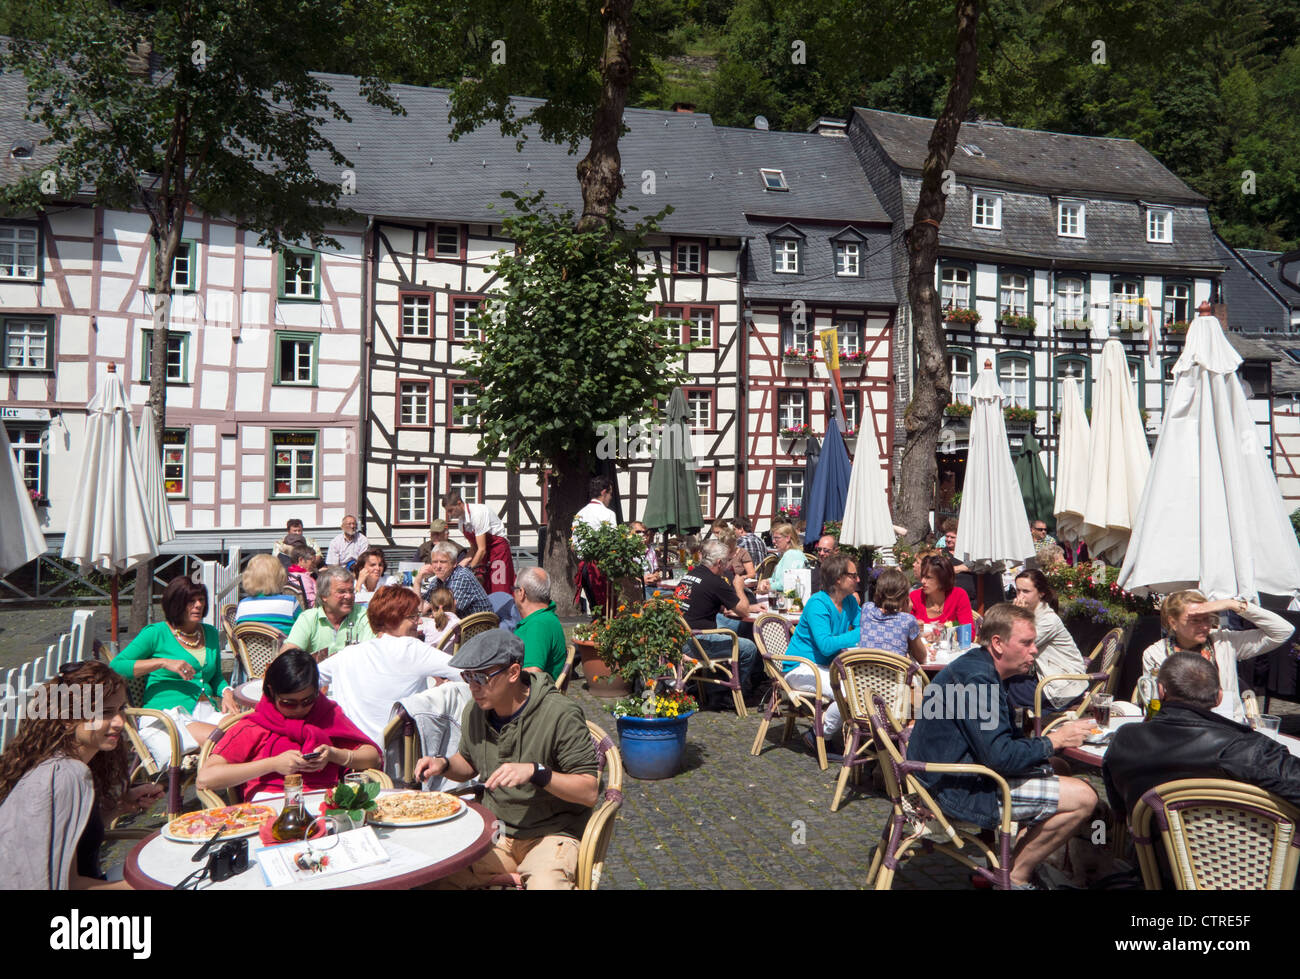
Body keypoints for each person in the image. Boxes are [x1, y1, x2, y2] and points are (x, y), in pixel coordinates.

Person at [905, 603, 1098, 889]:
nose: (1034, 650)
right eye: (1027, 643)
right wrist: (1054, 740)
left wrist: (1047, 750)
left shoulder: (977, 667)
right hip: (953, 790)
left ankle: (1016, 859)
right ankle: (1014, 878)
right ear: (997, 644)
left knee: (1060, 767)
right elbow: (1000, 757)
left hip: (945, 774)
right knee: (1085, 798)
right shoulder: (979, 680)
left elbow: (999, 746)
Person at [413, 632, 599, 889]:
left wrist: (537, 772)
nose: (472, 687)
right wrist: (443, 765)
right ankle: (500, 876)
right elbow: (469, 763)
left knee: (547, 885)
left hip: (551, 834)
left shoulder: (560, 714)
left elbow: (589, 791)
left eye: (481, 677)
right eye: (468, 677)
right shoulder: (476, 712)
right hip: (497, 833)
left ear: (513, 672)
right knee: (427, 877)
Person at [0, 661, 162, 889]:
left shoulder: (73, 763)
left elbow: (71, 840)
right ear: (68, 717)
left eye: (121, 709)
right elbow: (66, 884)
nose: (120, 722)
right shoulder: (65, 774)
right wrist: (153, 885)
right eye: (105, 712)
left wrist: (118, 807)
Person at [1104, 652, 1300, 821]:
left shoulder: (1124, 738)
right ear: (1219, 697)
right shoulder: (1243, 748)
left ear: (1161, 690)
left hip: (1152, 859)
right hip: (1242, 859)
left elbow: (1119, 812)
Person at [198, 650, 380, 801]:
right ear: (271, 692)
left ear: (318, 691)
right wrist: (273, 764)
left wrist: (335, 754)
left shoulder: (327, 715)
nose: (300, 709)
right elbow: (206, 778)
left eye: (308, 701)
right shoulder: (255, 726)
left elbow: (372, 757)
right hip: (268, 810)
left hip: (325, 804)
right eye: (289, 703)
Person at [109, 577, 237, 764]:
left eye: (201, 600)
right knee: (227, 741)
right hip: (169, 714)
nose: (198, 605)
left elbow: (216, 677)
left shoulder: (209, 633)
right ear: (176, 603)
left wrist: (227, 692)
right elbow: (116, 666)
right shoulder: (156, 633)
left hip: (207, 711)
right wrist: (162, 663)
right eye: (191, 601)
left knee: (247, 730)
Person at [316, 586, 462, 747]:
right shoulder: (411, 649)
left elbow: (307, 681)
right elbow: (464, 672)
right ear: (393, 619)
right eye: (413, 616)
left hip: (353, 756)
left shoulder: (346, 655)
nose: (418, 622)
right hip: (402, 758)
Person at [1140, 590, 1293, 723]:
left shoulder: (1224, 642)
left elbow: (1283, 631)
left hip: (1227, 726)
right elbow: (1153, 701)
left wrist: (1233, 605)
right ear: (1173, 623)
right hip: (1180, 728)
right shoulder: (1156, 654)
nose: (1205, 626)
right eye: (1195, 620)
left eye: (1207, 618)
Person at [783, 552, 864, 744]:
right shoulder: (817, 604)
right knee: (850, 692)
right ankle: (818, 735)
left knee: (863, 686)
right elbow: (826, 645)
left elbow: (864, 625)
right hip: (801, 667)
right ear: (838, 579)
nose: (858, 579)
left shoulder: (850, 601)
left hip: (826, 667)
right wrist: (860, 634)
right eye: (853, 575)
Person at [673, 539, 761, 704]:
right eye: (728, 561)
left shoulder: (692, 574)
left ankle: (713, 688)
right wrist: (739, 586)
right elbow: (742, 610)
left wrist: (749, 607)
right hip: (695, 642)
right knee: (748, 648)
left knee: (729, 631)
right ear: (719, 562)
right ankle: (727, 694)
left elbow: (704, 600)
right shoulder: (716, 582)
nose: (729, 565)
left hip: (676, 638)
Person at [1007, 569, 1087, 711]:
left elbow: (1015, 647)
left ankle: (1013, 727)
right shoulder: (1033, 615)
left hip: (1063, 685)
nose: (1020, 596)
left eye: (1026, 591)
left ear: (1041, 593)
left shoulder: (1048, 620)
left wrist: (1017, 615)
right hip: (1045, 677)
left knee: (999, 687)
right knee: (999, 681)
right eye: (1017, 591)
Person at [281, 566, 376, 661]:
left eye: (351, 591)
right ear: (324, 596)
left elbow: (369, 654)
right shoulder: (309, 618)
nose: (348, 596)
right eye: (341, 592)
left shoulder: (363, 615)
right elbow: (287, 655)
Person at [445, 492, 516, 595]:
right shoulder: (461, 523)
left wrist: (469, 569)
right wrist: (461, 565)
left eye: (450, 510)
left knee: (499, 586)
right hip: (483, 552)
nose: (449, 514)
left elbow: (481, 549)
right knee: (484, 586)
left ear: (459, 503)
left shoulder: (477, 513)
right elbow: (474, 547)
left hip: (498, 549)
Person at [859, 566, 928, 664]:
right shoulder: (908, 620)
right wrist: (906, 613)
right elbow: (922, 657)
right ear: (905, 597)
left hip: (865, 677)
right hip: (894, 678)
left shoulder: (866, 609)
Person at [513, 567, 568, 682]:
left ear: (521, 593)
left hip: (528, 696)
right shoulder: (546, 617)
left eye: (514, 589)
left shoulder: (538, 625)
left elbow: (532, 676)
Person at [573, 476, 618, 611]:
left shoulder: (579, 514)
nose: (610, 498)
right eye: (610, 493)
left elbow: (573, 546)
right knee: (607, 608)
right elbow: (613, 543)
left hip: (584, 567)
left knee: (594, 608)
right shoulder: (608, 514)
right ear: (604, 492)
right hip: (600, 567)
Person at [417, 541, 492, 617]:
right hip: (459, 623)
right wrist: (417, 581)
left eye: (443, 562)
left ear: (454, 563)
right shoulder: (437, 580)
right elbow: (421, 610)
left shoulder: (461, 577)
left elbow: (448, 613)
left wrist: (432, 614)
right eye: (435, 562)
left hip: (479, 625)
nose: (438, 566)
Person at [235, 553, 302, 635]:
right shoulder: (291, 603)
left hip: (249, 647)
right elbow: (303, 631)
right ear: (280, 576)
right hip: (284, 646)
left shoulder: (242, 605)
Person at [910, 554, 974, 627]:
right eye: (922, 576)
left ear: (942, 579)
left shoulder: (958, 595)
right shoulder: (915, 597)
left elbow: (968, 632)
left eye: (928, 577)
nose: (922, 581)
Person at [756, 521, 806, 595]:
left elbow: (787, 584)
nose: (773, 541)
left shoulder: (792, 555)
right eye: (773, 538)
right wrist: (766, 581)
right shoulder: (787, 554)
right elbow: (778, 579)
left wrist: (767, 587)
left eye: (777, 538)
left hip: (791, 601)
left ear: (788, 538)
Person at [631, 521, 663, 597]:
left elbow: (656, 571)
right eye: (638, 532)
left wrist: (656, 577)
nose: (642, 534)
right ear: (630, 533)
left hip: (654, 586)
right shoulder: (628, 551)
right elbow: (626, 577)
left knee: (674, 596)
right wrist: (642, 581)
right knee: (651, 603)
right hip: (638, 589)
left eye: (644, 532)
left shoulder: (650, 549)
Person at [285, 543, 319, 608]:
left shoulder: (289, 575)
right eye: (312, 562)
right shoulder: (303, 578)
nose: (315, 565)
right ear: (301, 560)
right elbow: (311, 602)